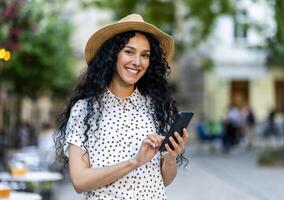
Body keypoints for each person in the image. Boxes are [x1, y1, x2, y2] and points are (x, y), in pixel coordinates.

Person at [54, 14, 189, 200]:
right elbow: (79, 181)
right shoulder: (84, 110)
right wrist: (134, 162)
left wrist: (172, 156)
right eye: (129, 51)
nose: (137, 62)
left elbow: (164, 179)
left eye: (145, 55)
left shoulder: (155, 107)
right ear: (112, 55)